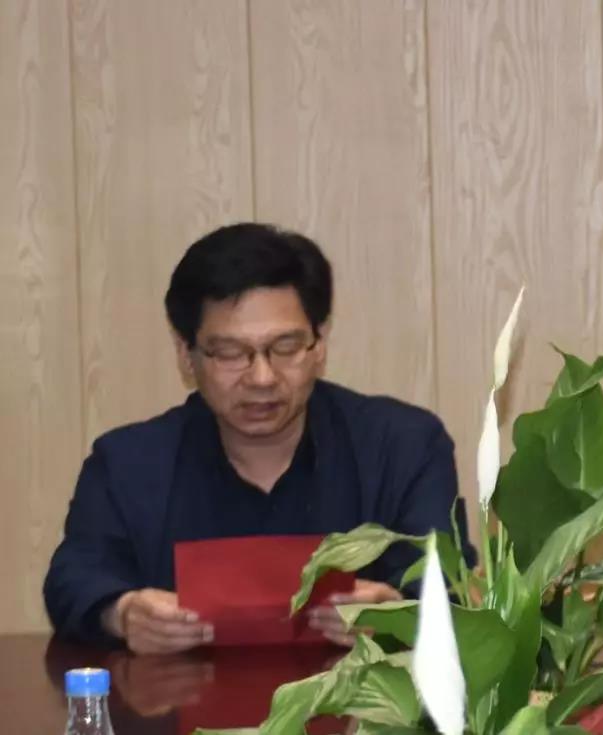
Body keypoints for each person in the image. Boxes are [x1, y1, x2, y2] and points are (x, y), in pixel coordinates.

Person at [44, 223, 469, 653]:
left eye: (285, 347)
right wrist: (122, 613)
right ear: (186, 354)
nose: (262, 378)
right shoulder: (128, 463)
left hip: (361, 695)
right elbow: (74, 578)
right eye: (231, 353)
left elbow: (451, 586)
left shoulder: (403, 447)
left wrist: (397, 614)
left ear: (319, 344)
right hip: (172, 695)